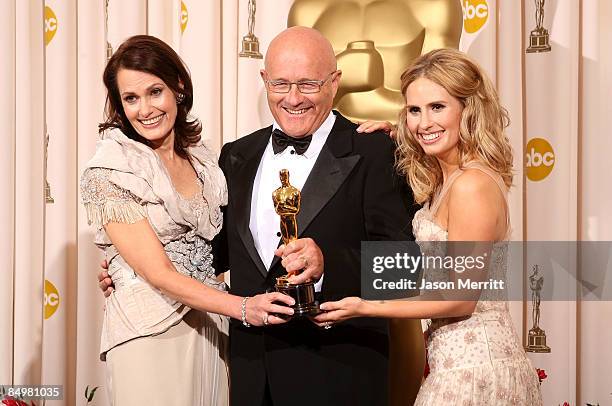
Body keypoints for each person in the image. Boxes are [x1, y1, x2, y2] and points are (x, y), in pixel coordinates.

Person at [98, 27, 416, 406]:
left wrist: (328, 264)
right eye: (280, 84)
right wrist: (130, 267)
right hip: (248, 375)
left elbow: (405, 269)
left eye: (308, 84)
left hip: (339, 374)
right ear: (264, 80)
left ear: (334, 82)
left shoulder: (377, 151)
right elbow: (213, 253)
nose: (293, 98)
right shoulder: (234, 157)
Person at [314, 49, 543, 405]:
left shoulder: (471, 185)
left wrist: (366, 306)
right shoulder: (445, 179)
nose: (423, 123)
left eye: (437, 107)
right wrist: (393, 138)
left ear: (468, 109)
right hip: (455, 365)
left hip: (477, 372)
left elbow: (459, 298)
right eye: (414, 111)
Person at [81, 35, 295, 406]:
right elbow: (159, 273)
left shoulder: (204, 158)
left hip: (210, 326)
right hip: (149, 331)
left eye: (155, 91)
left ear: (178, 87)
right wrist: (245, 308)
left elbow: (225, 246)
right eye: (130, 98)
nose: (145, 108)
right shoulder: (110, 169)